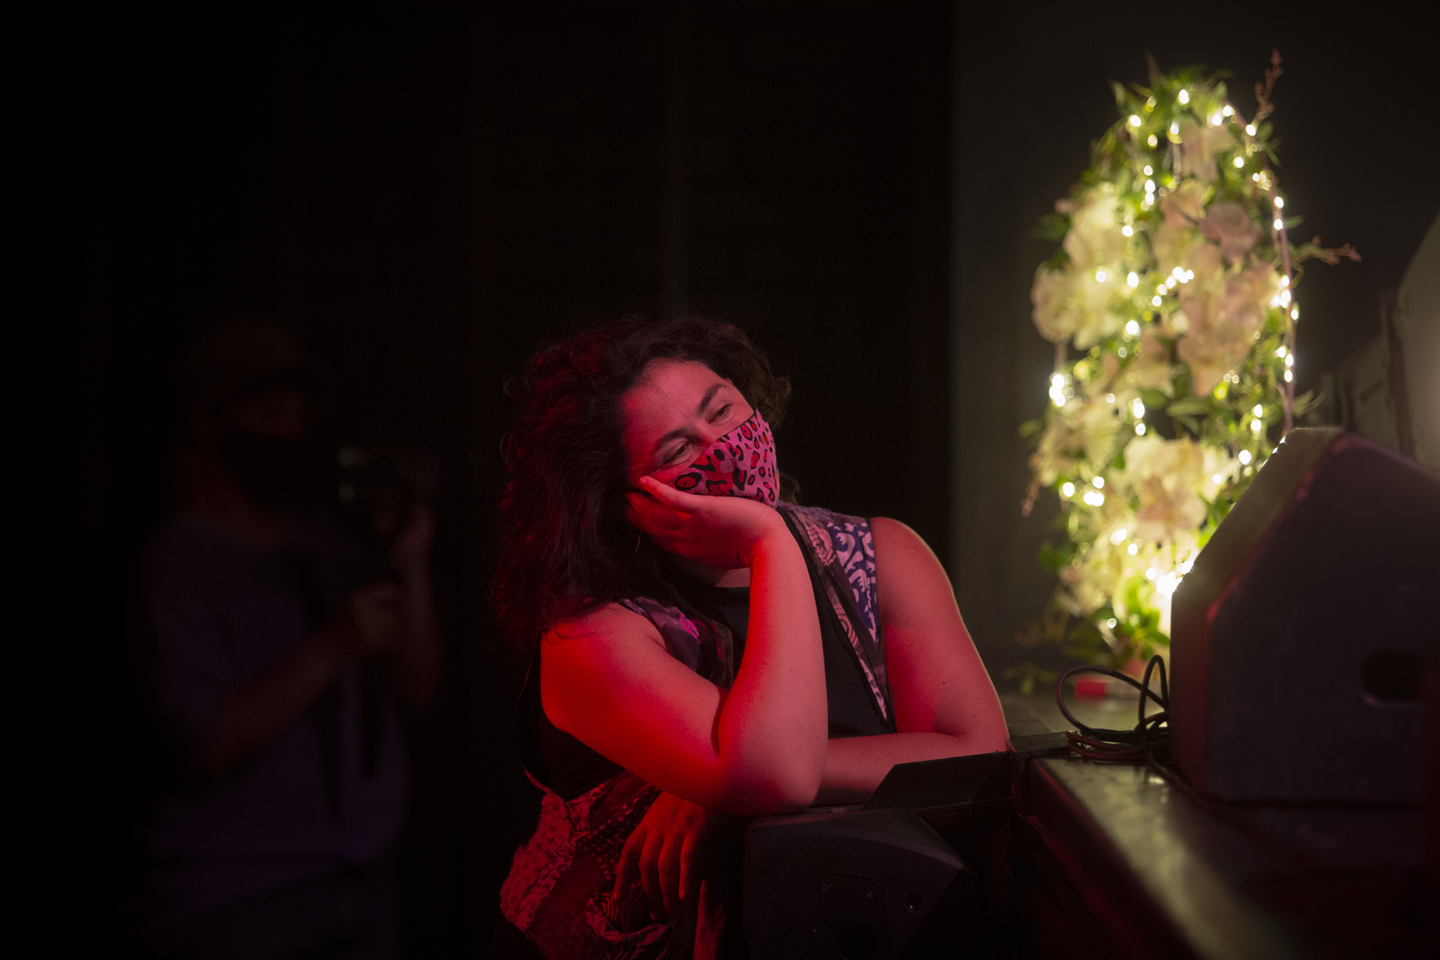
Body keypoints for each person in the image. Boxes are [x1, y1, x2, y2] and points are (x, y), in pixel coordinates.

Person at [493, 317, 1008, 959]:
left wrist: (723, 795)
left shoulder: (879, 555)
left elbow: (975, 753)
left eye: (723, 411)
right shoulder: (592, 632)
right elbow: (777, 773)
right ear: (629, 502)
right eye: (678, 451)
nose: (722, 446)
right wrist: (770, 542)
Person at [132, 319, 442, 959]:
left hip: (361, 875)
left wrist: (408, 563)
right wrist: (335, 645)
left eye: (298, 415)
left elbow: (416, 686)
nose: (289, 433)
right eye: (269, 414)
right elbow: (208, 742)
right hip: (236, 893)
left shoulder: (325, 549)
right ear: (210, 423)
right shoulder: (180, 563)